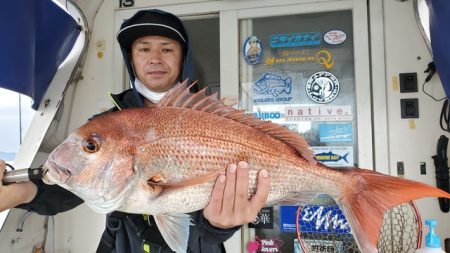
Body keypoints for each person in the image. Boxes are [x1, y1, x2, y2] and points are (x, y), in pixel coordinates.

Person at [0, 9, 270, 253]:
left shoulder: (208, 116)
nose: (155, 58)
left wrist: (219, 226)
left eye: (166, 49)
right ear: (131, 58)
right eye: (143, 49)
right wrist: (20, 193)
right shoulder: (107, 123)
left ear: (183, 57)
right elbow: (76, 183)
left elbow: (209, 227)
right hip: (123, 245)